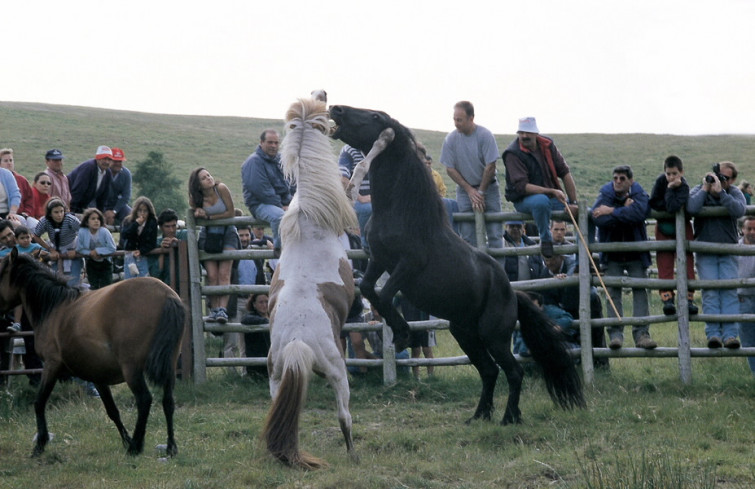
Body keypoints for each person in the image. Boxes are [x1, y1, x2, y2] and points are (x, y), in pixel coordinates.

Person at [592, 165, 656, 350]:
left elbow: (637, 214)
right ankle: (615, 335)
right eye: (615, 178)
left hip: (636, 253)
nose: (618, 182)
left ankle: (642, 334)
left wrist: (612, 211)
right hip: (612, 255)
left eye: (622, 178)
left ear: (630, 180)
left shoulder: (640, 195)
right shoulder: (604, 194)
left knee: (640, 291)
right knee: (612, 293)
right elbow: (598, 218)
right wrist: (623, 211)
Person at [688, 161, 747, 349]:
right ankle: (713, 334)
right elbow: (690, 208)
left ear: (733, 180)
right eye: (718, 176)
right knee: (711, 292)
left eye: (725, 178)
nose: (720, 180)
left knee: (729, 292)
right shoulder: (701, 189)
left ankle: (730, 335)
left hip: (728, 251)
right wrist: (706, 188)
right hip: (706, 252)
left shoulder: (734, 192)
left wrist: (721, 193)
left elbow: (740, 210)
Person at [502, 117, 580, 258]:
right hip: (523, 199)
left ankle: (583, 260)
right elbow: (522, 186)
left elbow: (565, 172)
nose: (524, 136)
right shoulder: (512, 153)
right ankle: (545, 239)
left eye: (528, 132)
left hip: (551, 197)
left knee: (584, 214)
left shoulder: (547, 145)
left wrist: (573, 203)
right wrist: (551, 191)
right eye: (521, 133)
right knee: (541, 201)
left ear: (536, 133)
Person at [439, 101, 502, 252]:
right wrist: (469, 191)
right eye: (454, 119)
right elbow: (450, 168)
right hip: (464, 191)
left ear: (471, 118)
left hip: (489, 188)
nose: (456, 123)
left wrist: (480, 192)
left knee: (495, 234)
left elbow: (490, 166)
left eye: (459, 120)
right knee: (467, 235)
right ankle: (475, 274)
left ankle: (499, 273)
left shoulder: (485, 136)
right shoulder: (450, 139)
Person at [648, 155, 698, 316]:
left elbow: (673, 206)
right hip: (663, 227)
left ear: (681, 172)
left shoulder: (684, 186)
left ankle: (689, 299)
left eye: (674, 174)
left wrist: (669, 191)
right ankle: (667, 299)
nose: (671, 177)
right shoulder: (660, 182)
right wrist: (669, 192)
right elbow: (654, 202)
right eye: (668, 174)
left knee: (687, 261)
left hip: (683, 226)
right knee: (664, 261)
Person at [189, 167, 238, 324]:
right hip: (208, 235)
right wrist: (198, 212)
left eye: (209, 175)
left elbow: (231, 212)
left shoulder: (221, 189)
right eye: (204, 178)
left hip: (227, 233)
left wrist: (210, 216)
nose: (209, 178)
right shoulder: (195, 198)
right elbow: (194, 212)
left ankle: (223, 310)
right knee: (211, 275)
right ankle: (214, 309)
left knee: (224, 273)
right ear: (198, 185)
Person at [241, 129, 291, 251]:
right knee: (279, 216)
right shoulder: (253, 162)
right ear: (261, 142)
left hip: (279, 203)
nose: (273, 146)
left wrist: (289, 203)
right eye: (270, 142)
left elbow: (288, 184)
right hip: (259, 204)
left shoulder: (280, 160)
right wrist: (281, 205)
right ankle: (280, 249)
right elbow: (261, 191)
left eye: (276, 143)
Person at [5, 225, 47, 332]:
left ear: (31, 237)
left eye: (27, 237)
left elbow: (47, 254)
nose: (25, 240)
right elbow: (4, 256)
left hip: (35, 279)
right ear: (17, 240)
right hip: (21, 281)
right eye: (22, 238)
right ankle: (17, 323)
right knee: (19, 302)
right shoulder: (14, 250)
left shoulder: (36, 247)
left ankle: (42, 321)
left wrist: (41, 254)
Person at [33, 197, 83, 286]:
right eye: (56, 212)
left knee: (73, 283)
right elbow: (36, 236)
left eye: (61, 211)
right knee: (56, 281)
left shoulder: (70, 219)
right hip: (56, 248)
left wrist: (76, 250)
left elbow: (83, 233)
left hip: (72, 246)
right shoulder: (45, 221)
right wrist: (50, 249)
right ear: (50, 213)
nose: (59, 215)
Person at [77, 207, 117, 290]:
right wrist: (90, 253)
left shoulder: (104, 232)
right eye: (93, 219)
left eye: (98, 219)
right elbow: (79, 248)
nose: (96, 221)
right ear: (87, 222)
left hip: (105, 262)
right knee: (94, 287)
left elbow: (112, 248)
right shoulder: (82, 232)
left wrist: (98, 251)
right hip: (91, 263)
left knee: (106, 287)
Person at [120, 196, 158, 279]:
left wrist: (141, 251)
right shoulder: (128, 221)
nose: (142, 213)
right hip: (130, 255)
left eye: (145, 211)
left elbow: (152, 242)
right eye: (140, 210)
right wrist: (136, 224)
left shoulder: (152, 222)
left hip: (143, 256)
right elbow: (124, 235)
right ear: (136, 211)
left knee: (143, 281)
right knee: (129, 282)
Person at [68, 145, 114, 215]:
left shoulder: (108, 173)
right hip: (68, 201)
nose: (107, 162)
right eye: (104, 159)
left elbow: (103, 198)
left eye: (109, 159)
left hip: (83, 205)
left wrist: (100, 216)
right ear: (98, 158)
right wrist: (71, 212)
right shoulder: (88, 168)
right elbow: (78, 191)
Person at [737, 216, 755, 374]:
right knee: (748, 340)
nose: (752, 232)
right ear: (742, 229)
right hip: (743, 299)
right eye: (749, 228)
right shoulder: (734, 248)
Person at [151, 208, 188, 286]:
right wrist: (162, 251)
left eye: (174, 226)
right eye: (167, 226)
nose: (171, 230)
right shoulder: (156, 243)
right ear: (161, 227)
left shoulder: (185, 235)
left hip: (186, 284)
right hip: (165, 287)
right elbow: (155, 274)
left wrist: (179, 244)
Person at [241, 293, 271, 378]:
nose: (264, 305)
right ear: (254, 304)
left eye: (267, 302)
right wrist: (266, 321)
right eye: (261, 302)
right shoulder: (250, 317)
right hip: (257, 366)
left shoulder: (273, 315)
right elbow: (245, 319)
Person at [0, 148, 34, 219]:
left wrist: (14, 213)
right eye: (6, 161)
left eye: (11, 160)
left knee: (33, 224)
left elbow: (17, 195)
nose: (9, 163)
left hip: (11, 214)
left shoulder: (19, 179)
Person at [104, 147, 132, 225]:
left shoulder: (126, 174)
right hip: (101, 204)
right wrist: (104, 212)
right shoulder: (103, 172)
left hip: (116, 205)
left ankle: (126, 236)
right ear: (109, 161)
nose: (118, 164)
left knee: (131, 216)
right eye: (115, 161)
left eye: (120, 161)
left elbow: (126, 196)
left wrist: (114, 211)